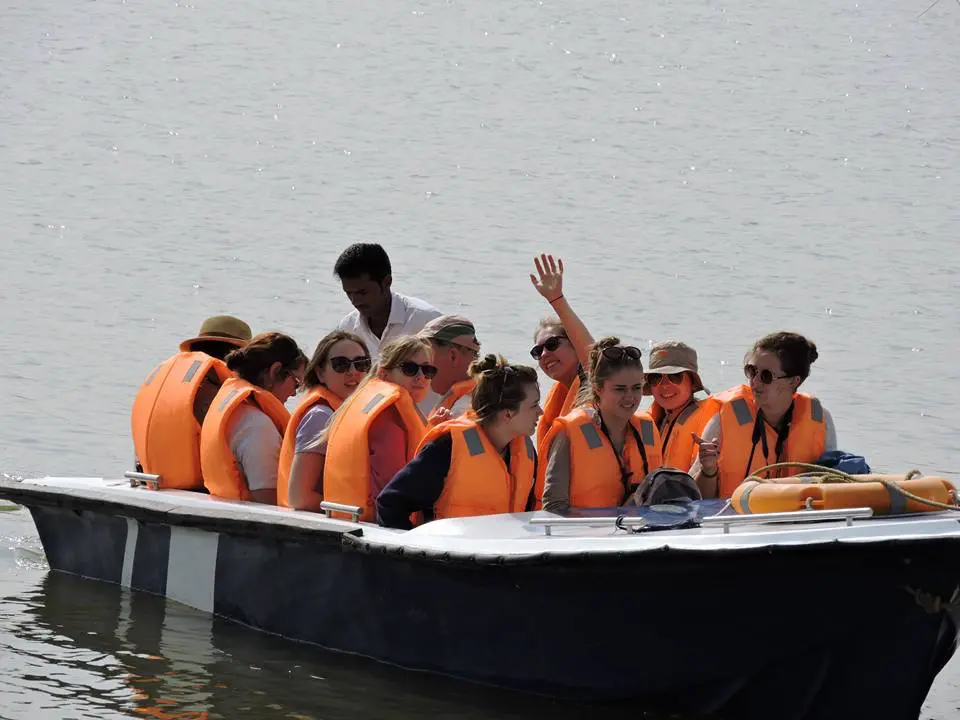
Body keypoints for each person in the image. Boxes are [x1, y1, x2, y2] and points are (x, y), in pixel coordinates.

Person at [377, 355, 542, 529]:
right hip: (447, 546)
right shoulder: (447, 448)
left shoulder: (526, 451)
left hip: (503, 545)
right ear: (507, 413)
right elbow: (390, 503)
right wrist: (418, 544)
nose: (541, 411)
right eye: (534, 405)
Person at [691, 332, 837, 499]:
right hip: (731, 514)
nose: (755, 382)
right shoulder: (724, 419)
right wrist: (708, 470)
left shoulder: (820, 420)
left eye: (766, 376)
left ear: (793, 381)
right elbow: (698, 500)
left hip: (797, 513)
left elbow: (831, 482)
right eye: (752, 371)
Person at [538, 337, 663, 513]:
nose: (630, 397)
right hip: (586, 530)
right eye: (619, 389)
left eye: (636, 388)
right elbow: (553, 508)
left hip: (635, 529)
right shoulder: (571, 432)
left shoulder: (647, 429)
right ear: (598, 388)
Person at [131, 315, 253, 490]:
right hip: (197, 490)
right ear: (235, 358)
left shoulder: (165, 383)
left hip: (149, 481)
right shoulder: (218, 396)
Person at [322, 336, 433, 521]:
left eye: (428, 370)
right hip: (378, 527)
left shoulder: (371, 406)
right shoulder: (388, 418)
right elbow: (390, 489)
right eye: (410, 369)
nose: (420, 377)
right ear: (384, 374)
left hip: (351, 520)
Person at [200, 333, 306, 504]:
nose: (294, 393)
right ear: (275, 371)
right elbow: (266, 500)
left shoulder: (228, 407)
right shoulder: (257, 427)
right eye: (296, 382)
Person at [276, 331, 370, 510]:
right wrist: (360, 512)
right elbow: (300, 497)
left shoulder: (345, 412)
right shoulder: (321, 416)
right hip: (322, 523)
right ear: (320, 373)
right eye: (340, 365)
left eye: (361, 364)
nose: (353, 372)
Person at [528, 254, 594, 447]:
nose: (544, 354)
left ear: (574, 344)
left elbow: (593, 356)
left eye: (552, 344)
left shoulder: (598, 385)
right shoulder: (554, 399)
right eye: (537, 351)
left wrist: (556, 299)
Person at [333, 243, 442, 357]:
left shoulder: (427, 321)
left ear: (386, 283)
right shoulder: (347, 329)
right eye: (349, 293)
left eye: (362, 292)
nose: (355, 300)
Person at [644, 341, 720, 472]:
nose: (664, 385)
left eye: (675, 376)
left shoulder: (712, 423)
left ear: (692, 382)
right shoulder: (650, 423)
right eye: (656, 378)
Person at [417, 314, 482, 421]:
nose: (422, 370)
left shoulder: (460, 412)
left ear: (453, 356)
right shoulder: (490, 393)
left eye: (427, 355)